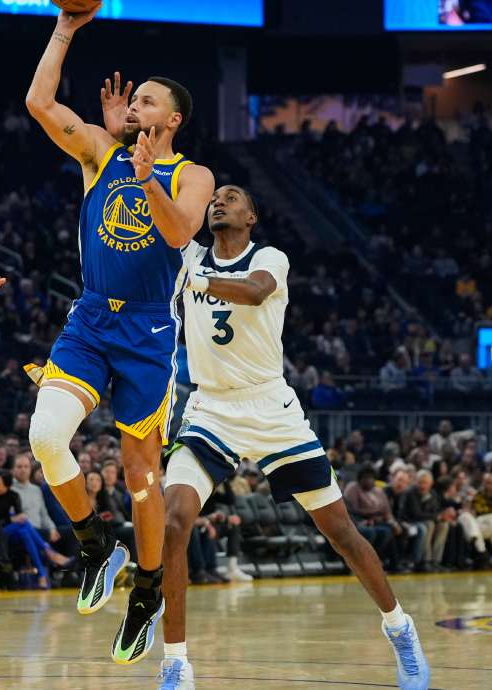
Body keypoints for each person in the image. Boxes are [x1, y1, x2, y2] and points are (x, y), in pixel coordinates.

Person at [157, 186, 429, 690]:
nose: (219, 201)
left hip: (270, 408)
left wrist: (200, 277)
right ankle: (175, 664)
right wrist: (148, 175)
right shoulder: (188, 254)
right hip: (210, 406)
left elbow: (256, 290)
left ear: (251, 216)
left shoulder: (270, 257)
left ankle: (400, 628)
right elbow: (164, 218)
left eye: (231, 197)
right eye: (215, 197)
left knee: (341, 533)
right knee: (174, 521)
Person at [23, 4, 215, 663]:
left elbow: (180, 232)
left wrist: (147, 181)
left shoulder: (191, 174)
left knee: (141, 477)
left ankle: (148, 590)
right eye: (134, 96)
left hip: (148, 332)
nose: (136, 102)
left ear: (172, 119)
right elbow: (39, 101)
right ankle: (96, 545)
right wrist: (66, 29)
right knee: (45, 436)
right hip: (90, 320)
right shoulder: (100, 153)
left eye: (149, 99)